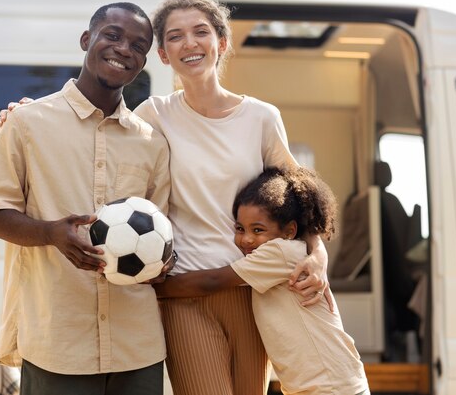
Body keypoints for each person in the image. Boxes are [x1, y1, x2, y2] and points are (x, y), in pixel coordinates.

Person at [0, 0, 332, 395]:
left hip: (251, 291)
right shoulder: (153, 116)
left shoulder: (261, 117)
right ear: (163, 54)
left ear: (222, 43)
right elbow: (95, 130)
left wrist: (317, 255)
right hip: (184, 292)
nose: (189, 43)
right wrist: (26, 113)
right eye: (175, 36)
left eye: (200, 32)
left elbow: (300, 197)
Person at [0, 2, 173, 395]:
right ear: (87, 39)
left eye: (138, 45)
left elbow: (163, 231)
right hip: (58, 343)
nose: (124, 49)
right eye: (113, 35)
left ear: (143, 62)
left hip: (138, 345)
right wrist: (51, 233)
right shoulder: (25, 123)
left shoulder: (151, 143)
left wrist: (162, 262)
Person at [154, 166, 370, 395]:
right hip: (320, 384)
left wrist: (151, 285)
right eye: (239, 228)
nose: (246, 239)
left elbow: (212, 280)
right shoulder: (280, 254)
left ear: (289, 231)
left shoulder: (281, 253)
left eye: (258, 230)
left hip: (330, 386)